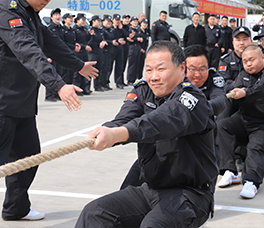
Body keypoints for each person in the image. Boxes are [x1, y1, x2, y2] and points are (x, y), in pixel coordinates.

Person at [0, 0, 98, 227]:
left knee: (28, 157)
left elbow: (49, 42)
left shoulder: (30, 13)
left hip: (21, 101)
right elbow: (28, 51)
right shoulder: (6, 11)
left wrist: (78, 65)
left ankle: (16, 208)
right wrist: (59, 85)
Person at [75, 41, 218, 228]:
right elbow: (123, 120)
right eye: (149, 70)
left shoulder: (192, 98)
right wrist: (106, 131)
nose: (154, 77)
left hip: (190, 194)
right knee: (95, 213)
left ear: (182, 68)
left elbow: (163, 120)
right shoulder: (142, 92)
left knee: (154, 225)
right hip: (150, 189)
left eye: (161, 69)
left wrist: (120, 133)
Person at [216, 45, 264, 199]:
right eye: (245, 61)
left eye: (252, 60)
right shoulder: (243, 74)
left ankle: (251, 182)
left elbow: (263, 88)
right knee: (222, 126)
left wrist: (246, 92)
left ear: (263, 58)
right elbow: (234, 92)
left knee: (256, 146)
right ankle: (230, 171)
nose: (248, 64)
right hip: (244, 119)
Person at [218, 26, 253, 92]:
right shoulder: (226, 60)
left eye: (244, 39)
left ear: (251, 41)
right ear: (233, 43)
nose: (241, 43)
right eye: (238, 40)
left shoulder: (257, 58)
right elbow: (222, 82)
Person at [45, 7, 64, 101]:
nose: (58, 16)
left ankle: (56, 94)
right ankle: (49, 95)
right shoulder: (50, 28)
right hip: (51, 56)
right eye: (55, 15)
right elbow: (45, 44)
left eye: (59, 15)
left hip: (59, 56)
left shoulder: (61, 28)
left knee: (59, 75)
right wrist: (47, 56)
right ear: (51, 17)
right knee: (51, 76)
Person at [73, 13, 93, 95]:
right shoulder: (74, 29)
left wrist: (90, 35)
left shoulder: (84, 29)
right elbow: (75, 42)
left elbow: (86, 40)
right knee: (77, 71)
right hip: (78, 52)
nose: (84, 21)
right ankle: (77, 89)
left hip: (84, 52)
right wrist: (83, 46)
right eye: (82, 20)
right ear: (77, 20)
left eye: (85, 20)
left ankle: (85, 88)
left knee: (85, 69)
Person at [87, 15, 107, 92]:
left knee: (98, 69)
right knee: (90, 69)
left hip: (99, 52)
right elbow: (89, 42)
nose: (99, 23)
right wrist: (98, 44)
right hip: (92, 52)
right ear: (93, 21)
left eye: (100, 21)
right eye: (97, 21)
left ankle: (97, 86)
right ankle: (87, 87)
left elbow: (102, 39)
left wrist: (103, 42)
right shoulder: (90, 30)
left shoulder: (100, 30)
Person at [62, 13, 81, 84]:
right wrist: (73, 46)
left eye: (72, 18)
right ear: (64, 20)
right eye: (69, 18)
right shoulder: (62, 29)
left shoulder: (72, 30)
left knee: (71, 74)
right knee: (65, 74)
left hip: (72, 54)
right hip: (65, 54)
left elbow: (73, 41)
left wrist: (76, 44)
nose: (71, 19)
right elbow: (63, 42)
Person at [110, 14, 127, 89]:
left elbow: (126, 35)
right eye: (116, 20)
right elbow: (110, 37)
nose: (117, 22)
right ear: (113, 20)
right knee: (109, 66)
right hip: (112, 49)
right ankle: (105, 82)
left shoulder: (120, 28)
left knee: (119, 66)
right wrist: (117, 40)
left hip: (120, 49)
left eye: (118, 20)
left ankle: (119, 82)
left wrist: (121, 28)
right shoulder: (111, 28)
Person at [127, 16, 143, 85]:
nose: (135, 22)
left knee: (137, 64)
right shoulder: (129, 30)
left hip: (138, 47)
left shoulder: (138, 30)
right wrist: (137, 39)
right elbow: (130, 39)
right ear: (131, 22)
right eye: (133, 21)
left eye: (136, 21)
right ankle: (130, 79)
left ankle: (135, 78)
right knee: (132, 64)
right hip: (132, 47)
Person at [100, 14, 114, 90]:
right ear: (103, 21)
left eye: (110, 21)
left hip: (110, 51)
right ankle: (101, 83)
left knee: (109, 68)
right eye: (107, 21)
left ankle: (106, 82)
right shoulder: (102, 30)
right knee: (103, 68)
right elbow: (103, 40)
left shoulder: (110, 30)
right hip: (104, 51)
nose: (109, 23)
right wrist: (112, 42)